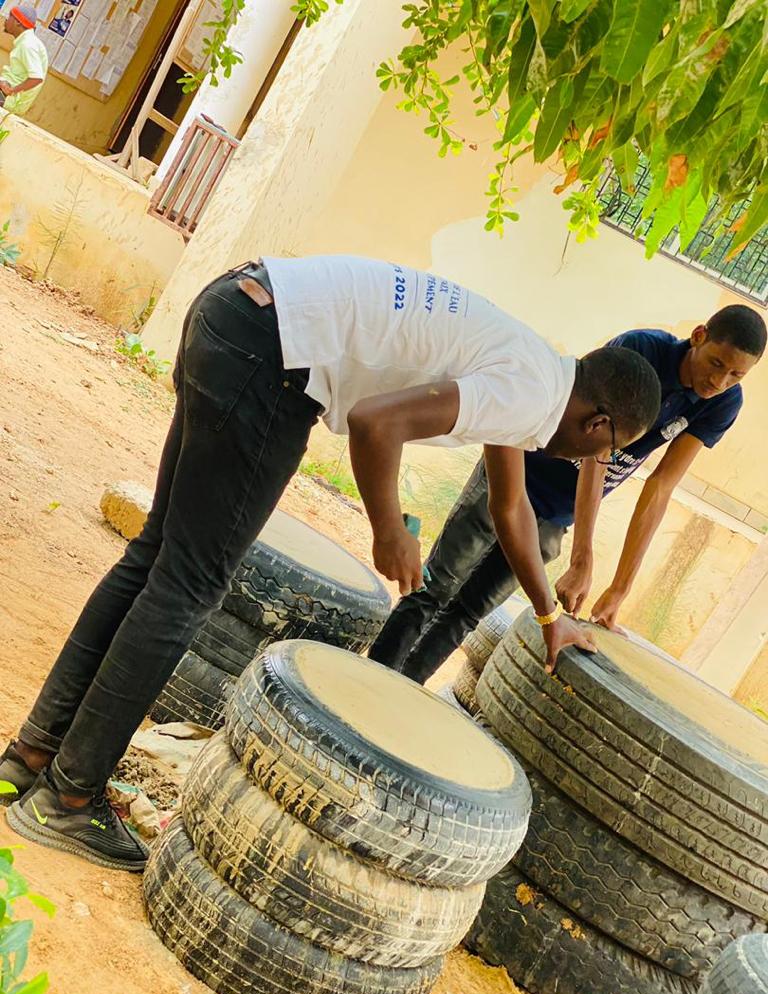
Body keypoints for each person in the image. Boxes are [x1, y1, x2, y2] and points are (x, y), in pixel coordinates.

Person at [0, 255, 661, 871]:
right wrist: (388, 528)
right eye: (603, 451)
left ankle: (31, 757)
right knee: (189, 583)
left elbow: (510, 506)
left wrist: (548, 615)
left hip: (241, 308)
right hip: (273, 356)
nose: (590, 462)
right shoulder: (531, 394)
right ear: (598, 422)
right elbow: (376, 422)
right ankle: (69, 797)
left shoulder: (536, 371)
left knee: (157, 557)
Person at [368, 305, 766, 683]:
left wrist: (620, 588)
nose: (720, 382)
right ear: (699, 336)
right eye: (717, 364)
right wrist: (582, 557)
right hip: (515, 469)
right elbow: (597, 454)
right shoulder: (641, 350)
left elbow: (661, 486)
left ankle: (403, 693)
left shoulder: (723, 403)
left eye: (736, 375)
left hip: (558, 513)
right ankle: (369, 680)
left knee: (469, 611)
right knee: (437, 586)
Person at [0, 5, 47, 116]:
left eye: (9, 17)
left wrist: (12, 90)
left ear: (18, 22)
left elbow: (37, 78)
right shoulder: (26, 41)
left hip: (10, 98)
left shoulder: (28, 44)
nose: (6, 20)